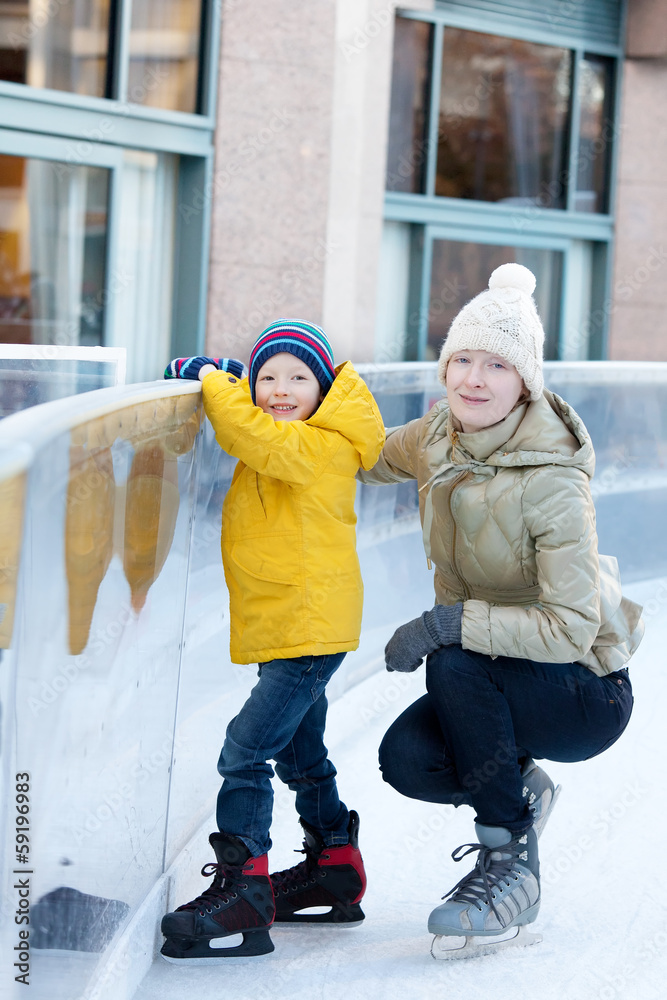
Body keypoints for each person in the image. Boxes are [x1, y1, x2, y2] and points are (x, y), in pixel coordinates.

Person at [358, 263, 644, 958]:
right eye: (461, 359)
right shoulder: (436, 436)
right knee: (407, 759)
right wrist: (273, 389)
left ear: (525, 384)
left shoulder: (553, 483)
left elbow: (570, 626)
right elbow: (361, 453)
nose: (473, 379)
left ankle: (509, 861)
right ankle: (519, 794)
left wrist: (441, 624)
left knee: (455, 659)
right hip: (495, 676)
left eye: (495, 364)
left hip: (581, 692)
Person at [159, 320, 385, 961]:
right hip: (298, 624)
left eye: (297, 377)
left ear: (325, 386)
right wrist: (232, 381)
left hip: (309, 630)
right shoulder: (300, 434)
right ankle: (335, 866)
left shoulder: (320, 444)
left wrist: (211, 381)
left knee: (245, 751)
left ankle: (244, 889)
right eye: (266, 377)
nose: (280, 390)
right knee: (300, 756)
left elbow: (247, 432)